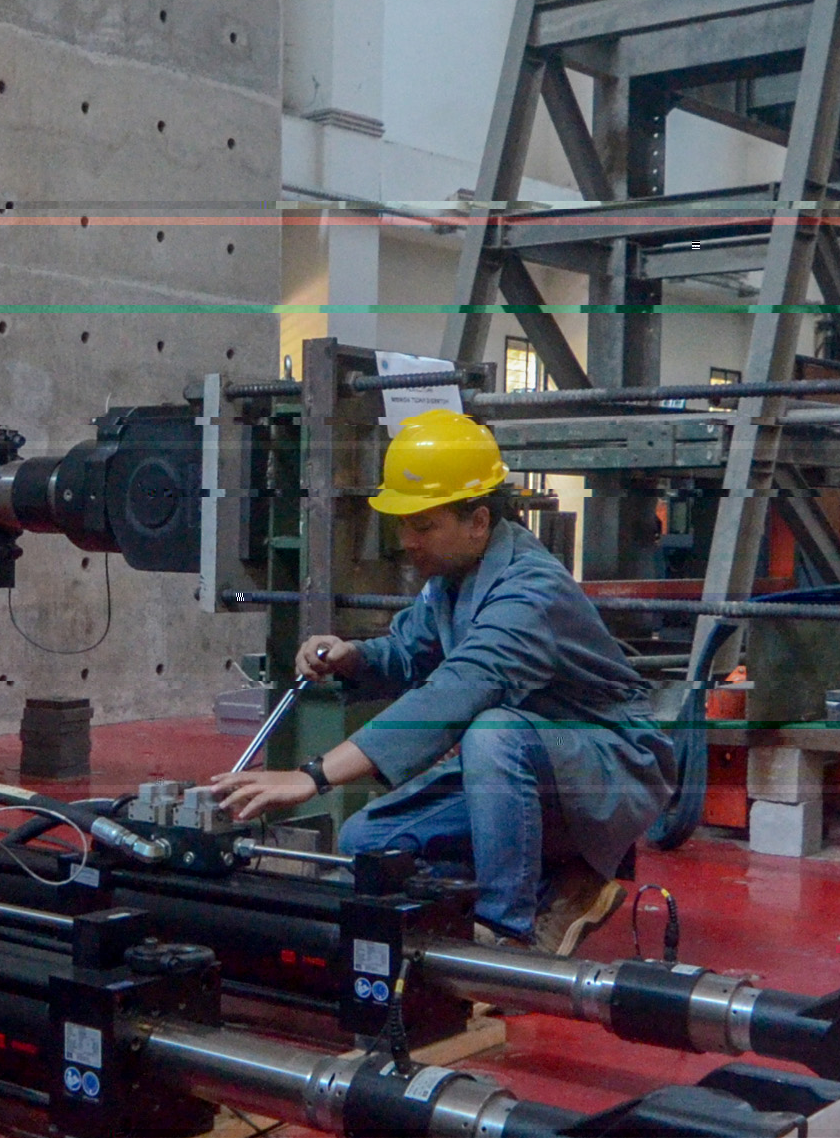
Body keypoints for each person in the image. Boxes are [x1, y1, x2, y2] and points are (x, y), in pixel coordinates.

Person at [214, 407, 685, 951]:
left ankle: (507, 933)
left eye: (424, 524)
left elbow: (456, 691)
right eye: (403, 524)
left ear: (478, 521)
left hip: (613, 767)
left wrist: (314, 776)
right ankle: (567, 881)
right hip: (537, 770)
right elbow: (408, 652)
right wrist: (353, 658)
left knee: (491, 731)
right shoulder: (453, 579)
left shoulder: (530, 592)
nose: (407, 541)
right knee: (366, 839)